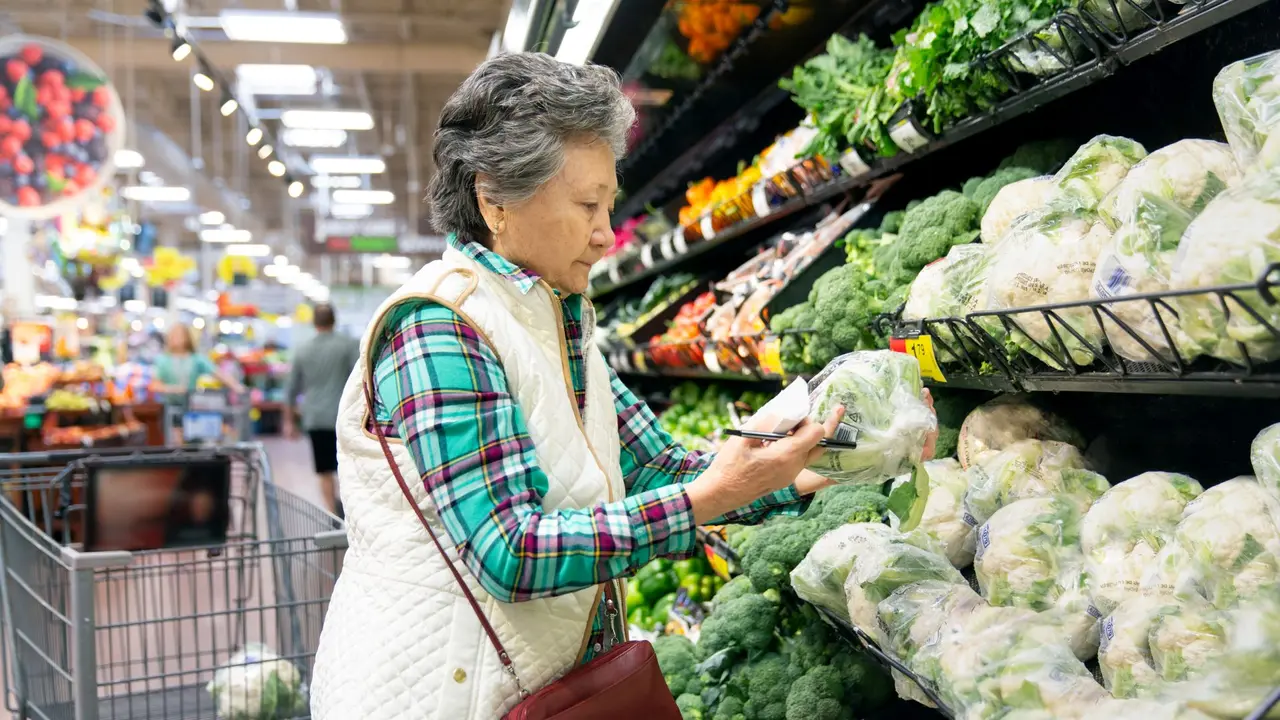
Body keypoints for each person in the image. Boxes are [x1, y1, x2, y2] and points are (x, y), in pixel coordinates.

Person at [310, 53, 935, 720]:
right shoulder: (439, 330)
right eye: (587, 205)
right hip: (440, 696)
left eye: (609, 202)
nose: (607, 234)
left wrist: (825, 459)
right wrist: (704, 499)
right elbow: (510, 550)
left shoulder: (557, 320)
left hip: (538, 688)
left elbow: (658, 466)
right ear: (493, 198)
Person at [284, 303, 359, 516]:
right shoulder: (348, 345)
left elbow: (290, 389)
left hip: (315, 418)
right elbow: (360, 378)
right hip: (344, 416)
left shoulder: (303, 350)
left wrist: (289, 421)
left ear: (313, 322)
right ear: (334, 320)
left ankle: (333, 516)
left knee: (324, 471)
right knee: (348, 468)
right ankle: (352, 513)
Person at [154, 324, 244, 401]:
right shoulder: (163, 360)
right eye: (173, 335)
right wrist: (173, 389)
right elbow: (155, 385)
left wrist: (237, 387)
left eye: (179, 335)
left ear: (186, 337)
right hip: (167, 407)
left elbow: (217, 373)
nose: (175, 339)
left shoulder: (196, 359)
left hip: (190, 405)